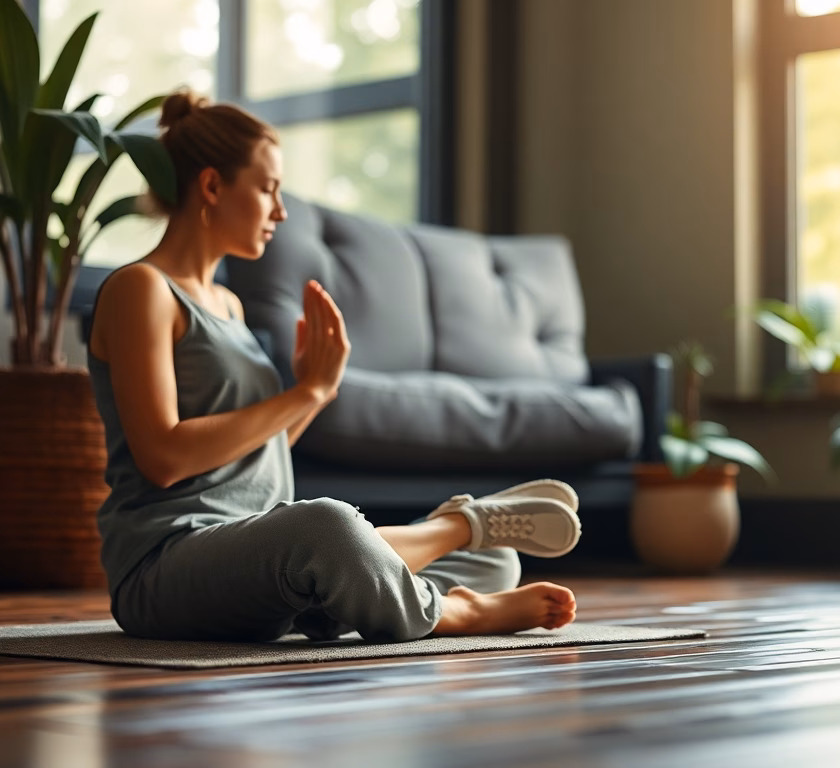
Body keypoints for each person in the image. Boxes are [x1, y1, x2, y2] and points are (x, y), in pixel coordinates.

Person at [86, 90, 582, 643]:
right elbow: (163, 457)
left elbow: (257, 452)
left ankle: (370, 581)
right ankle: (456, 595)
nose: (281, 210)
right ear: (211, 185)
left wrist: (315, 393)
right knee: (326, 525)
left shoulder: (228, 305)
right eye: (269, 189)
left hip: (262, 560)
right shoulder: (142, 290)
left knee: (495, 563)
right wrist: (304, 393)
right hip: (167, 567)